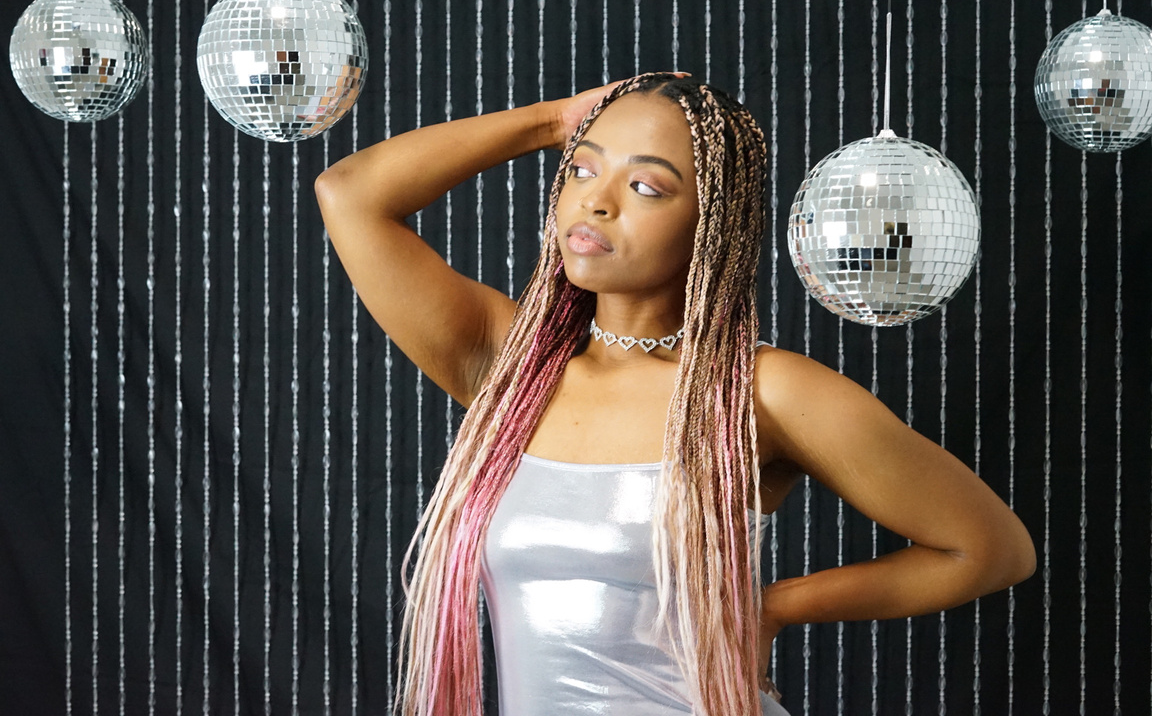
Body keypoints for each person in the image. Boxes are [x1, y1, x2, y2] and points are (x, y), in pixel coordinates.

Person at [313, 72, 1036, 716]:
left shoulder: (759, 392)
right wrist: (553, 122)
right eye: (581, 170)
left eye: (645, 187)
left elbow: (989, 550)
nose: (595, 202)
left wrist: (775, 607)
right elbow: (350, 194)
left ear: (710, 223)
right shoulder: (510, 370)